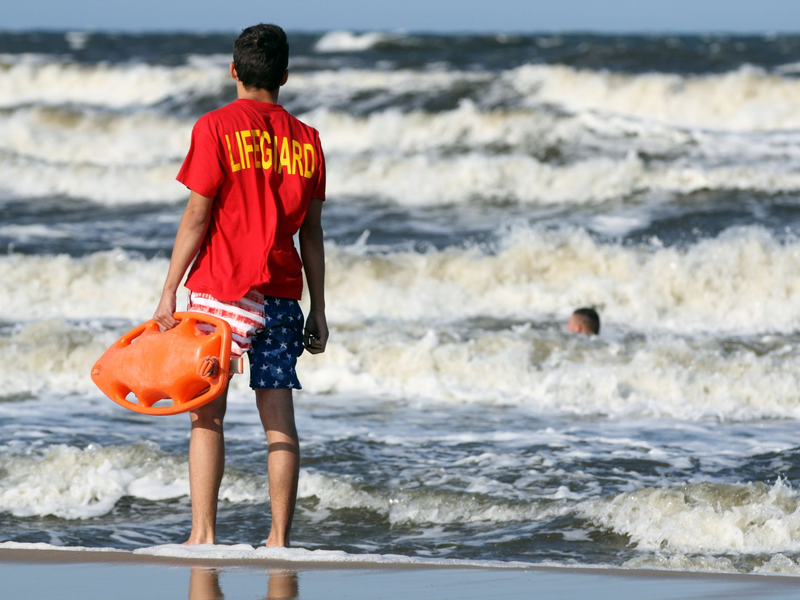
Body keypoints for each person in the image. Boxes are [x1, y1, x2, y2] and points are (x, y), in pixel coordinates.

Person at [152, 23, 328, 548]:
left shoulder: (214, 128)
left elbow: (197, 216)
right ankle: (279, 539)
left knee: (207, 416)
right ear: (285, 76)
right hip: (279, 294)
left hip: (220, 294)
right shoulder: (308, 140)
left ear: (233, 70)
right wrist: (318, 307)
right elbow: (312, 235)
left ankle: (203, 535)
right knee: (280, 423)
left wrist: (168, 290)